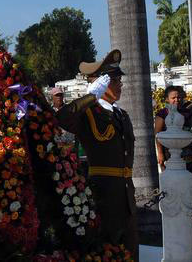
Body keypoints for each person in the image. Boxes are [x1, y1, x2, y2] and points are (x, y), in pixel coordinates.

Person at [55, 49, 138, 260]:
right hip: (103, 196)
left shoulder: (121, 114)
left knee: (130, 251)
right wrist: (91, 96)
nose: (120, 84)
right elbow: (62, 118)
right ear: (101, 83)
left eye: (119, 79)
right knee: (106, 251)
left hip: (126, 195)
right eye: (114, 80)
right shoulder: (89, 113)